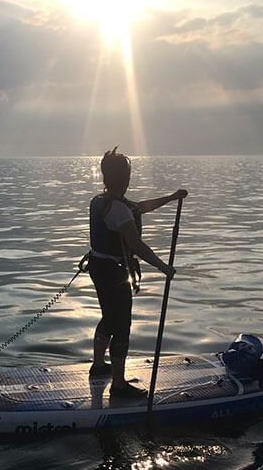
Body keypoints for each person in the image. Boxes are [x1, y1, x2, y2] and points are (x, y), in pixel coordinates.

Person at [88, 147, 188, 398]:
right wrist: (163, 267)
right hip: (113, 273)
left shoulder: (101, 201)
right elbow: (136, 245)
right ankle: (119, 385)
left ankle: (99, 367)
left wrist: (171, 197)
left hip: (98, 267)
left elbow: (140, 207)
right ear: (125, 178)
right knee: (121, 325)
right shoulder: (118, 208)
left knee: (108, 317)